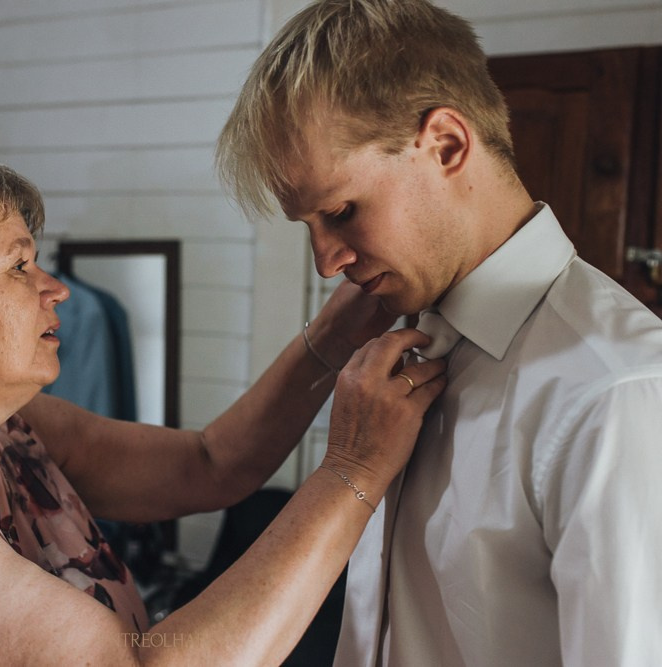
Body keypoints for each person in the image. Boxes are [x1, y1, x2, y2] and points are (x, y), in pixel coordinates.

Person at [0, 140, 446, 666]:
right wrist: (352, 467)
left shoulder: (10, 430)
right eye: (19, 265)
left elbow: (211, 463)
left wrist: (344, 321)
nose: (56, 288)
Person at [216, 0, 662, 665]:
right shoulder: (402, 345)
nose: (325, 262)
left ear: (448, 144)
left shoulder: (614, 391)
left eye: (341, 211)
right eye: (307, 226)